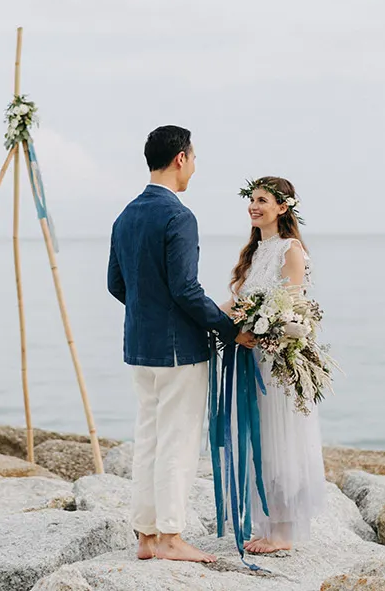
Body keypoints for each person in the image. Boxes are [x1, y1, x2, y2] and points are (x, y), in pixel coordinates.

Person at [107, 125, 255, 563]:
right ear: (180, 159)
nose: (194, 166)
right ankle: (171, 536)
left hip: (139, 346)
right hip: (178, 351)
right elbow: (187, 290)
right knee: (177, 441)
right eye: (194, 157)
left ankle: (146, 538)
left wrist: (149, 309)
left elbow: (117, 284)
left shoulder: (126, 215)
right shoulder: (178, 216)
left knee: (148, 438)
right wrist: (232, 331)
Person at [227, 176, 328, 553]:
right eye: (251, 199)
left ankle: (283, 532)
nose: (254, 206)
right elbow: (242, 306)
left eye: (262, 200)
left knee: (281, 438)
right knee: (259, 437)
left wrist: (257, 322)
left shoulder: (290, 250)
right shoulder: (255, 252)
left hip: (277, 361)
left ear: (282, 208)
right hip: (252, 355)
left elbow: (292, 310)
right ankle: (266, 524)